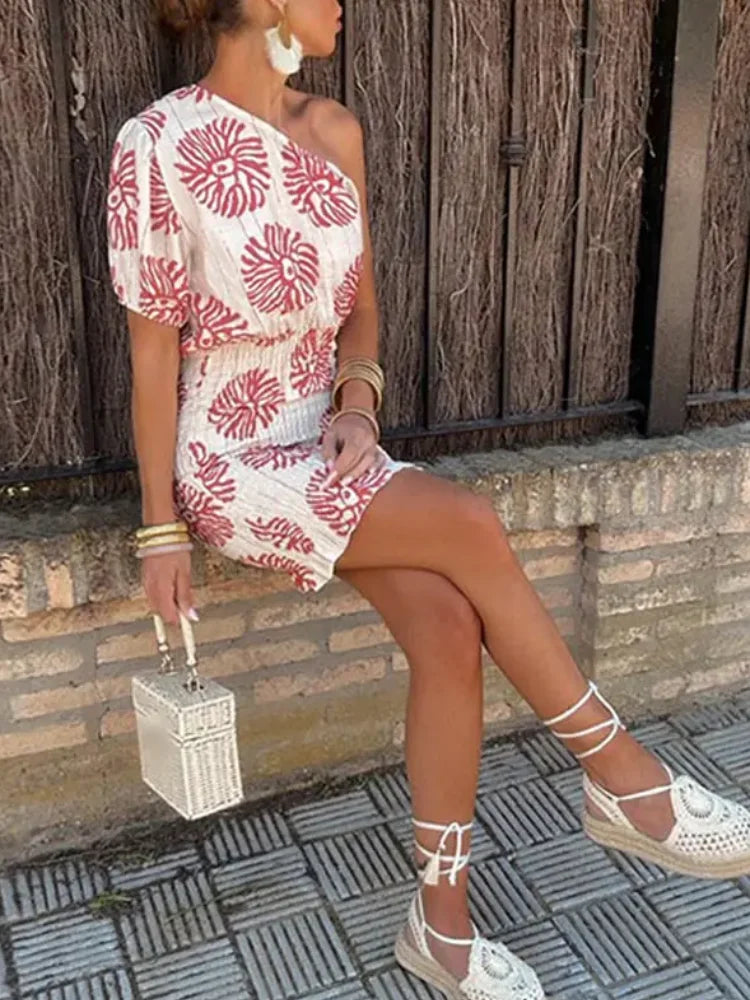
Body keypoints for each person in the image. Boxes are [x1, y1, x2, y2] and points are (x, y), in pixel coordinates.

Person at [107, 2, 750, 997]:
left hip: (327, 445)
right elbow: (151, 355)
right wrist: (160, 528)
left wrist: (359, 408)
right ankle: (622, 777)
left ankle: (440, 929)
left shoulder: (335, 131)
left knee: (450, 627)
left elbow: (361, 311)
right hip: (230, 459)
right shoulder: (155, 143)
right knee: (471, 523)